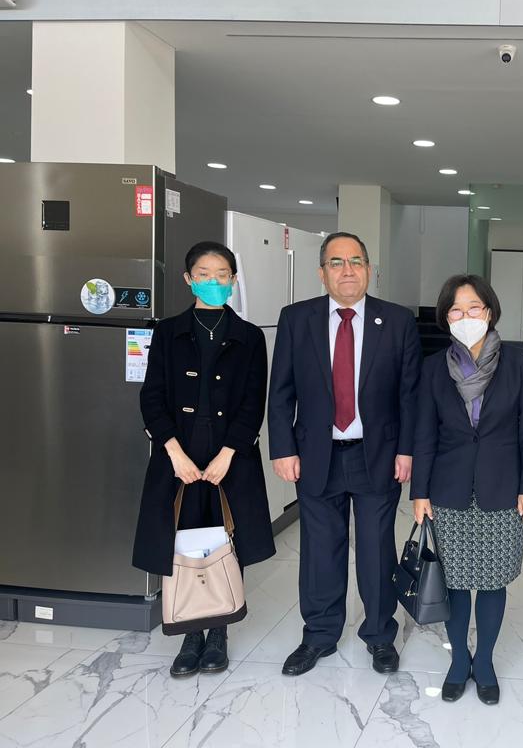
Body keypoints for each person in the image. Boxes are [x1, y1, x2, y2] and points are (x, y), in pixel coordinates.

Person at [268, 231, 421, 677]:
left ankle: (380, 635)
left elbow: (409, 394)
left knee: (376, 550)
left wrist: (407, 450)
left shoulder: (397, 321)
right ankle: (319, 635)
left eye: (356, 261)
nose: (347, 270)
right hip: (316, 453)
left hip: (378, 454)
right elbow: (281, 391)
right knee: (320, 551)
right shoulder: (297, 319)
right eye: (336, 262)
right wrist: (282, 448)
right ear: (322, 273)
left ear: (369, 270)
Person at [133, 241, 275, 677]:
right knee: (183, 538)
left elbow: (253, 402)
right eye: (204, 274)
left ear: (233, 280)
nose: (213, 281)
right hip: (179, 456)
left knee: (227, 539)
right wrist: (173, 451)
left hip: (230, 457)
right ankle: (190, 631)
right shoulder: (167, 332)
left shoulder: (249, 336)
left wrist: (229, 453)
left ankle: (219, 631)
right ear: (188, 279)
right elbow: (151, 396)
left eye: (222, 275)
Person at [411, 275, 523, 706]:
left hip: (503, 488)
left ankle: (483, 660)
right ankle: (458, 661)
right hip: (447, 489)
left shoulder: (517, 362)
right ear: (445, 317)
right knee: (452, 582)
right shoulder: (433, 367)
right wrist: (419, 492)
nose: (465, 316)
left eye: (474, 308)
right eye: (456, 309)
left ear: (489, 311)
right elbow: (424, 433)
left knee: (491, 581)